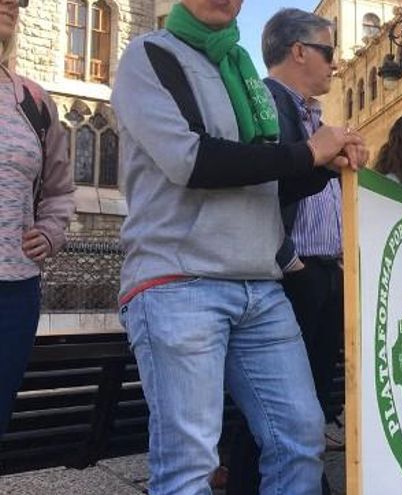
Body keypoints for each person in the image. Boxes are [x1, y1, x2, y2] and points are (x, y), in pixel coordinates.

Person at [111, 1, 367, 493]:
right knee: (189, 465)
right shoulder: (150, 55)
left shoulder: (243, 72)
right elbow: (191, 162)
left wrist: (321, 168)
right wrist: (306, 153)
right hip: (179, 282)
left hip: (258, 285)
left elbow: (265, 185)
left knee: (301, 436)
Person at [228, 9, 360, 494]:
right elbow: (263, 184)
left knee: (311, 395)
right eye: (329, 51)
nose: (337, 64)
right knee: (275, 399)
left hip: (323, 270)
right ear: (299, 51)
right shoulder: (265, 103)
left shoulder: (315, 116)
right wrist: (291, 262)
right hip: (291, 271)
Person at [0, 0, 75, 439]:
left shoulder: (32, 100)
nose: (15, 3)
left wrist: (49, 230)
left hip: (13, 293)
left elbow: (60, 189)